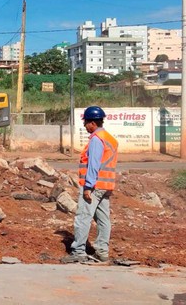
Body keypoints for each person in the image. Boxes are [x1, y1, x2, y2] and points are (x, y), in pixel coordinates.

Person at [62, 105, 118, 263]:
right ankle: (102, 251)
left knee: (83, 217)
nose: (84, 125)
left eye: (85, 122)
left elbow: (93, 164)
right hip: (105, 185)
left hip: (94, 186)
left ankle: (78, 251)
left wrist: (88, 187)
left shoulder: (96, 139)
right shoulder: (109, 138)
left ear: (92, 123)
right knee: (103, 219)